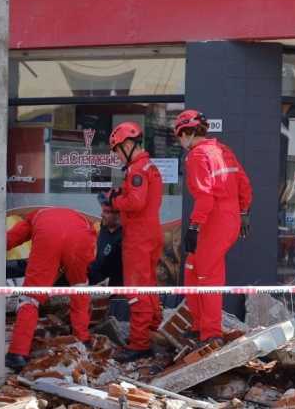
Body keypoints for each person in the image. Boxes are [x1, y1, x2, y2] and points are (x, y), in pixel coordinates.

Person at [173, 110, 253, 346]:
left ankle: (210, 334)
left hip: (213, 219)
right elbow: (244, 183)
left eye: (179, 136)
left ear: (187, 132)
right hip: (228, 217)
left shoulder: (197, 156)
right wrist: (243, 212)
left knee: (207, 275)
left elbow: (206, 198)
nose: (180, 141)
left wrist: (194, 226)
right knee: (192, 267)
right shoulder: (223, 150)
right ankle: (199, 326)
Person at [4, 207, 97, 371]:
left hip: (48, 237)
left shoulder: (34, 217)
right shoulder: (83, 220)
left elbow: (9, 240)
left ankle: (17, 354)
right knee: (79, 289)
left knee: (30, 298)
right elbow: (90, 254)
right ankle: (83, 340)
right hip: (81, 238)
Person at [103, 122, 164, 362]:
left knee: (136, 290)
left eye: (117, 149)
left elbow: (136, 203)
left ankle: (139, 344)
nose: (117, 154)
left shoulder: (137, 170)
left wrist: (115, 201)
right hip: (151, 233)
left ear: (128, 145)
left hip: (138, 238)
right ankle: (151, 332)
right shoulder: (150, 166)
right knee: (149, 287)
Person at [89, 199, 124, 286]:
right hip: (91, 281)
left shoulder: (124, 239)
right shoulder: (103, 228)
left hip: (107, 288)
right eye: (103, 211)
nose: (102, 215)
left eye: (106, 212)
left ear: (118, 215)